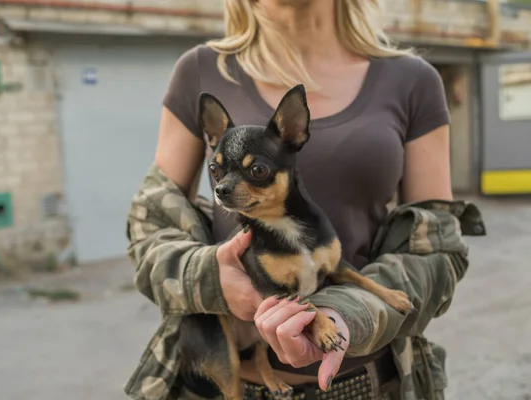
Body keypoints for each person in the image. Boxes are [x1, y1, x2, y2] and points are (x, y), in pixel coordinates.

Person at [123, 0, 486, 399]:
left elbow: (438, 252)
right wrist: (210, 276)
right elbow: (150, 230)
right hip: (225, 386)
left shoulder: (412, 80)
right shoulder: (200, 70)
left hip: (372, 383)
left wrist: (347, 312)